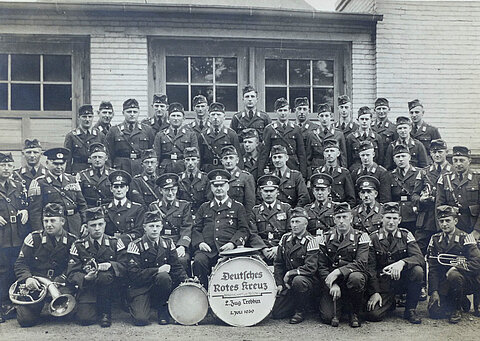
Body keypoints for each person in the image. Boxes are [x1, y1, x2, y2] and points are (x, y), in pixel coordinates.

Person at [14, 203, 77, 327]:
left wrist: (59, 281)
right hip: (37, 285)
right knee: (25, 320)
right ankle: (37, 307)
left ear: (62, 221)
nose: (48, 225)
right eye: (46, 221)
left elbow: (73, 266)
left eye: (53, 220)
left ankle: (49, 305)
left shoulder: (72, 241)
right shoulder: (33, 238)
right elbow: (20, 263)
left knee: (70, 314)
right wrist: (28, 278)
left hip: (60, 283)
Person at [124, 210, 187, 326]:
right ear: (144, 227)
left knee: (164, 277)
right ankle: (136, 304)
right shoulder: (135, 245)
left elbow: (176, 266)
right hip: (141, 287)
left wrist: (186, 280)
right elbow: (133, 274)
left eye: (157, 226)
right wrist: (157, 270)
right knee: (140, 319)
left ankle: (162, 309)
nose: (154, 229)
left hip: (160, 287)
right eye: (151, 226)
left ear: (161, 227)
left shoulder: (168, 243)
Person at [365, 202, 425, 324]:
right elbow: (370, 268)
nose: (391, 222)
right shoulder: (373, 238)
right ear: (381, 218)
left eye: (394, 218)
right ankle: (390, 302)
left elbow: (419, 258)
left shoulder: (406, 235)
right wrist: (375, 292)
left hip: (402, 280)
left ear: (399, 220)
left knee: (417, 271)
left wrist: (402, 263)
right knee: (374, 315)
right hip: (383, 284)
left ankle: (410, 309)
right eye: (388, 218)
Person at [67, 207, 126, 327]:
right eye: (93, 225)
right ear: (87, 227)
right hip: (88, 287)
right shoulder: (78, 245)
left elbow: (126, 266)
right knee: (85, 320)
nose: (97, 228)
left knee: (104, 276)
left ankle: (105, 312)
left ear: (105, 224)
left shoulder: (115, 242)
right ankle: (86, 305)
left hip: (110, 288)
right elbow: (71, 273)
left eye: (100, 224)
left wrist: (111, 265)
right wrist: (85, 278)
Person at [191, 169, 249, 288]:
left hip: (229, 250)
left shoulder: (237, 207)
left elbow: (244, 230)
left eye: (222, 185)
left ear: (228, 186)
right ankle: (204, 292)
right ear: (211, 187)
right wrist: (200, 243)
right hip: (208, 250)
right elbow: (196, 229)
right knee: (198, 260)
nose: (219, 188)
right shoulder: (204, 207)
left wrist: (233, 243)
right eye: (215, 185)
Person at [318, 202, 370, 328]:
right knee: (327, 317)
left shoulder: (361, 236)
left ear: (351, 218)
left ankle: (354, 312)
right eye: (338, 217)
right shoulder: (325, 238)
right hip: (333, 282)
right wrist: (332, 283)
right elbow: (322, 266)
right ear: (334, 219)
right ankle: (341, 305)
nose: (341, 221)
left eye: (345, 217)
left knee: (356, 278)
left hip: (351, 279)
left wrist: (338, 271)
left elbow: (362, 263)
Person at [427, 205, 480, 323]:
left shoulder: (466, 237)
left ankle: (457, 309)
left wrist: (457, 268)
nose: (444, 224)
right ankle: (461, 301)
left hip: (466, 279)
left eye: (448, 221)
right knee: (434, 312)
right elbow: (433, 268)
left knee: (454, 275)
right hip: (445, 282)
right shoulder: (435, 239)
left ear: (455, 221)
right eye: (441, 221)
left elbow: (477, 262)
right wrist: (434, 292)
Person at [272, 207, 319, 324]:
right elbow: (278, 263)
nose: (294, 225)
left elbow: (311, 268)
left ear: (305, 224)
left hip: (307, 282)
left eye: (298, 222)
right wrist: (279, 283)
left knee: (298, 280)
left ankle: (300, 310)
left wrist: (290, 273)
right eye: (292, 222)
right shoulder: (284, 239)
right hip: (288, 284)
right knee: (277, 313)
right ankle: (298, 303)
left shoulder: (311, 240)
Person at [28, 147, 87, 237]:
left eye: (62, 164)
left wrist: (85, 223)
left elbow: (82, 205)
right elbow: (35, 213)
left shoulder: (72, 180)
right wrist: (40, 233)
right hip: (53, 227)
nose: (59, 167)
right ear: (47, 163)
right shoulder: (39, 182)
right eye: (55, 164)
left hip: (74, 224)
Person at [0, 152, 28, 323]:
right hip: (1, 237)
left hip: (16, 236)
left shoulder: (18, 185)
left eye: (9, 165)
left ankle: (10, 304)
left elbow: (25, 204)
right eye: (3, 165)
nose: (7, 169)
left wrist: (24, 210)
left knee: (13, 269)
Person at [412, 139, 453, 254]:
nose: (437, 155)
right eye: (434, 152)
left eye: (440, 151)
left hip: (445, 219)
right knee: (419, 251)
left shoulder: (453, 172)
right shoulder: (424, 172)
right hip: (426, 220)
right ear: (430, 153)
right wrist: (420, 199)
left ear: (446, 152)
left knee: (446, 252)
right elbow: (414, 195)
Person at [149, 173, 193, 275]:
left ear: (177, 189)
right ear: (160, 190)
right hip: (160, 243)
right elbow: (152, 228)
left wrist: (182, 246)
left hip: (178, 243)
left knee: (182, 260)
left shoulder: (184, 206)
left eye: (173, 189)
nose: (170, 193)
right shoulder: (154, 207)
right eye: (166, 190)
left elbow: (187, 227)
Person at [436, 146, 480, 236]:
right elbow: (439, 206)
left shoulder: (477, 178)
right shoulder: (445, 179)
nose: (458, 164)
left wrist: (477, 231)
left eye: (461, 160)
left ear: (469, 161)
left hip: (472, 226)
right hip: (452, 228)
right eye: (455, 160)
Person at [248, 175, 291, 264]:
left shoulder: (286, 208)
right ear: (260, 192)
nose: (268, 194)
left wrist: (278, 248)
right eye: (266, 191)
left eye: (271, 191)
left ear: (277, 192)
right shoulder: (255, 211)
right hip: (261, 251)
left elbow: (290, 232)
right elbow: (253, 234)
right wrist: (263, 249)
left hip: (281, 248)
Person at [106, 98, 155, 176]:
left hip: (140, 169)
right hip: (121, 168)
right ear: (123, 113)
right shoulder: (114, 130)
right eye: (129, 112)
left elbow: (151, 152)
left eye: (135, 112)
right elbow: (109, 154)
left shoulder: (147, 130)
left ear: (139, 112)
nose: (132, 114)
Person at [260, 97, 306, 178]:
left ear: (290, 111)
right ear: (275, 112)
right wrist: (260, 173)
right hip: (275, 166)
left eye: (285, 110)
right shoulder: (270, 129)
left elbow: (301, 153)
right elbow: (264, 153)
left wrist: (303, 174)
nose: (283, 113)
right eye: (280, 110)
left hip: (293, 166)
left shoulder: (296, 129)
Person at [154, 102, 199, 174]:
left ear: (183, 118)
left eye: (178, 116)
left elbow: (196, 156)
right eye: (173, 116)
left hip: (184, 169)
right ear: (168, 118)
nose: (175, 118)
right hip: (165, 170)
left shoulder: (191, 134)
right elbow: (156, 157)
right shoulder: (160, 135)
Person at [103, 170, 145, 247]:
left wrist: (122, 240)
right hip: (109, 246)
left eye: (122, 187)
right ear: (111, 189)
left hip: (129, 246)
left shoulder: (137, 209)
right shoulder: (103, 209)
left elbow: (139, 231)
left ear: (127, 188)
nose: (119, 190)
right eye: (116, 187)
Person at [198, 102, 243, 173]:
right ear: (209, 117)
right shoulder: (203, 135)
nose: (215, 117)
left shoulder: (231, 134)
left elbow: (238, 156)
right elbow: (200, 157)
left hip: (225, 170)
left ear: (224, 117)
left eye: (218, 114)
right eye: (213, 114)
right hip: (207, 170)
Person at [305, 103, 347, 177]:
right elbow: (308, 158)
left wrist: (343, 174)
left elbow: (343, 157)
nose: (324, 119)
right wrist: (309, 177)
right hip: (317, 170)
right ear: (318, 117)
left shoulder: (339, 134)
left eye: (327, 116)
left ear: (331, 116)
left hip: (333, 170)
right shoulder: (311, 134)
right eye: (322, 116)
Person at [64, 104, 106, 175]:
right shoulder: (71, 136)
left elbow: (105, 156)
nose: (87, 119)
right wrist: (68, 175)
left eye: (90, 117)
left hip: (96, 171)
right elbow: (68, 159)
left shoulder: (100, 135)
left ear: (93, 117)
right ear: (78, 117)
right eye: (84, 117)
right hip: (78, 171)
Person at [314, 138, 356, 207]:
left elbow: (351, 199)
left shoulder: (344, 173)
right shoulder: (318, 172)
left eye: (332, 151)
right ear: (323, 154)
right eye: (327, 151)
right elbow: (313, 197)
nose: (329, 154)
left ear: (338, 153)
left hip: (339, 209)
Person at [390, 144, 420, 232]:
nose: (401, 159)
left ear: (409, 157)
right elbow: (386, 198)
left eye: (403, 156)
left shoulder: (419, 173)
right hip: (396, 214)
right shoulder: (389, 175)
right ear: (394, 159)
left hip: (414, 213)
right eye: (398, 157)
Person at [218, 145, 256, 215]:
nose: (228, 161)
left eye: (231, 158)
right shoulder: (218, 178)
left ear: (237, 160)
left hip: (239, 217)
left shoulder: (246, 177)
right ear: (222, 161)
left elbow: (250, 204)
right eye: (225, 158)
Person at [346, 106, 384, 171]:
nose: (364, 121)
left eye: (366, 119)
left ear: (371, 120)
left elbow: (380, 159)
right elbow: (349, 159)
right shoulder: (350, 138)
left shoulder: (377, 137)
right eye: (362, 119)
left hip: (373, 171)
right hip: (356, 171)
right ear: (358, 120)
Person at [76, 142, 114, 208]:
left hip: (109, 209)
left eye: (100, 157)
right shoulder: (83, 175)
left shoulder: (113, 174)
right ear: (90, 159)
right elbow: (78, 198)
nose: (97, 160)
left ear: (106, 158)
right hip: (90, 210)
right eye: (94, 157)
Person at [177, 147, 209, 218]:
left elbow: (208, 200)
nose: (190, 163)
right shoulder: (179, 179)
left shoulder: (205, 178)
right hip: (184, 215)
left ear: (198, 160)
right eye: (187, 160)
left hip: (201, 215)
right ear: (184, 161)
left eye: (193, 159)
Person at [372, 98, 397, 163]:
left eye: (384, 108)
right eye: (379, 109)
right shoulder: (369, 127)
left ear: (389, 109)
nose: (381, 111)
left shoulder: (393, 128)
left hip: (387, 163)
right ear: (374, 110)